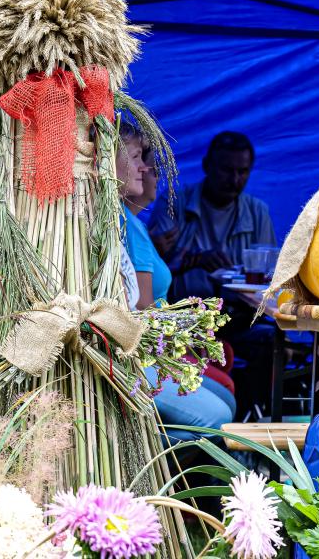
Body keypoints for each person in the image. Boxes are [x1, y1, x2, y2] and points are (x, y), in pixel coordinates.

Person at [117, 124, 235, 444]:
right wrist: (187, 329)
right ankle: (149, 452)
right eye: (138, 157)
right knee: (220, 415)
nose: (146, 169)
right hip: (136, 355)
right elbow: (143, 309)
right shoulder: (125, 224)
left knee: (226, 400)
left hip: (145, 350)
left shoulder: (130, 222)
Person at [148, 131, 276, 301]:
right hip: (183, 315)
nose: (235, 180)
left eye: (243, 172)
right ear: (206, 166)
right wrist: (195, 260)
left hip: (241, 315)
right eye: (226, 170)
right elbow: (151, 268)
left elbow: (270, 275)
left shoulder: (258, 212)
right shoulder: (174, 203)